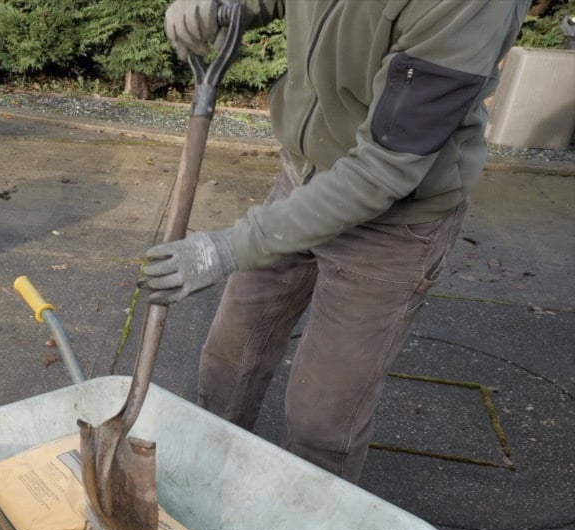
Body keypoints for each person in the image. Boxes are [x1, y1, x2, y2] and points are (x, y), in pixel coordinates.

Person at [142, 0, 530, 481]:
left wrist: (229, 247)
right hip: (301, 179)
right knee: (229, 356)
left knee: (321, 420)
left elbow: (384, 169)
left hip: (391, 224)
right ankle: (200, 487)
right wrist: (225, 6)